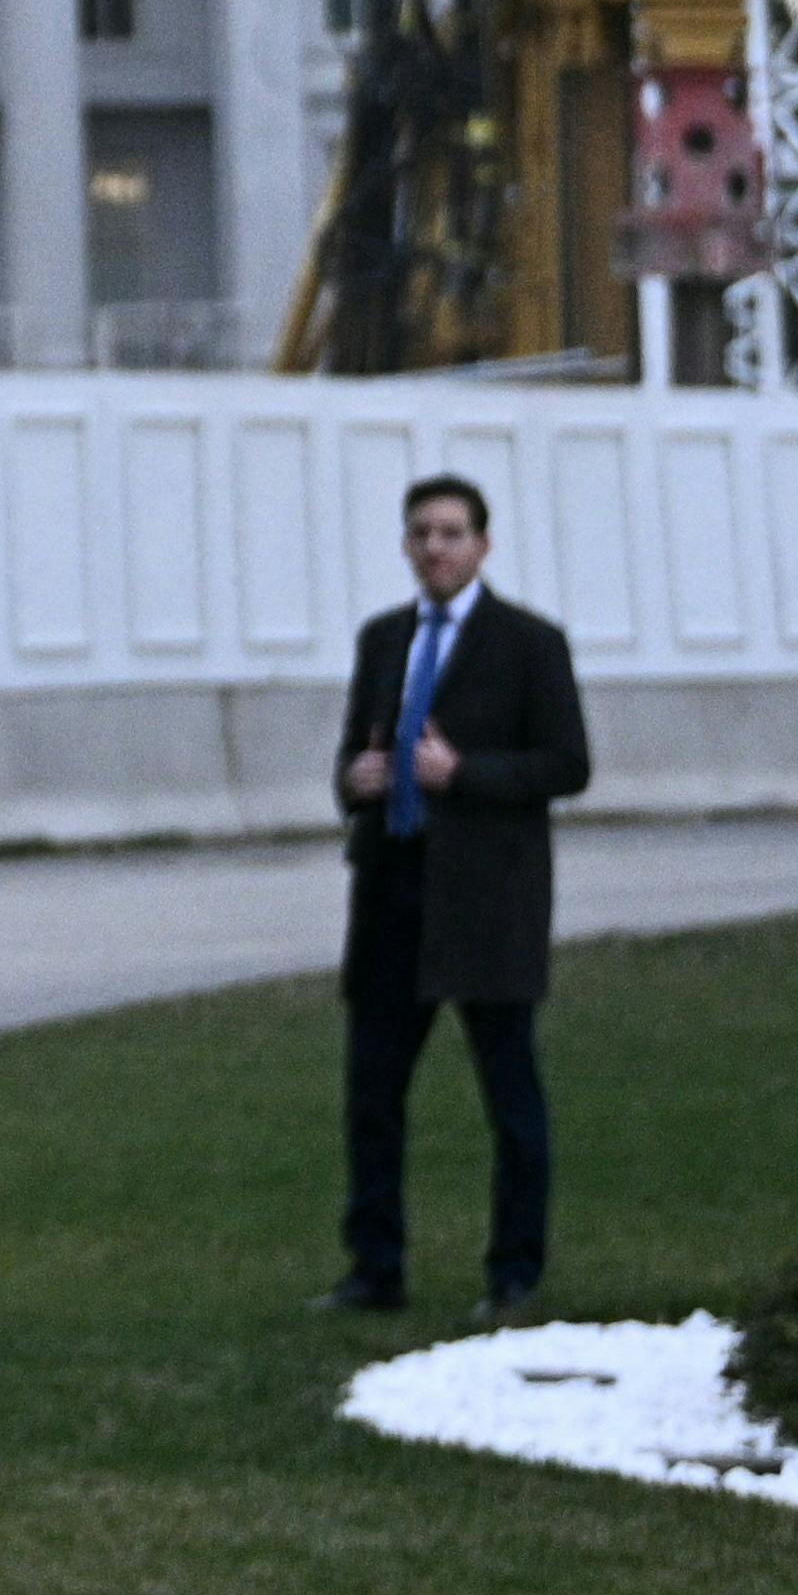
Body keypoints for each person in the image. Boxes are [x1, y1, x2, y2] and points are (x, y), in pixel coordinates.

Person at [323, 469, 588, 1317]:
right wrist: (357, 778)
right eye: (421, 532)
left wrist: (461, 771)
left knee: (511, 1100)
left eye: (451, 532)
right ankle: (375, 1268)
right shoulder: (382, 640)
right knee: (372, 1096)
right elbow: (353, 751)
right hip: (394, 893)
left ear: (483, 544)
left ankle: (513, 1272)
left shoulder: (528, 643)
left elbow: (566, 763)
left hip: (486, 904)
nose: (435, 546)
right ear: (406, 545)